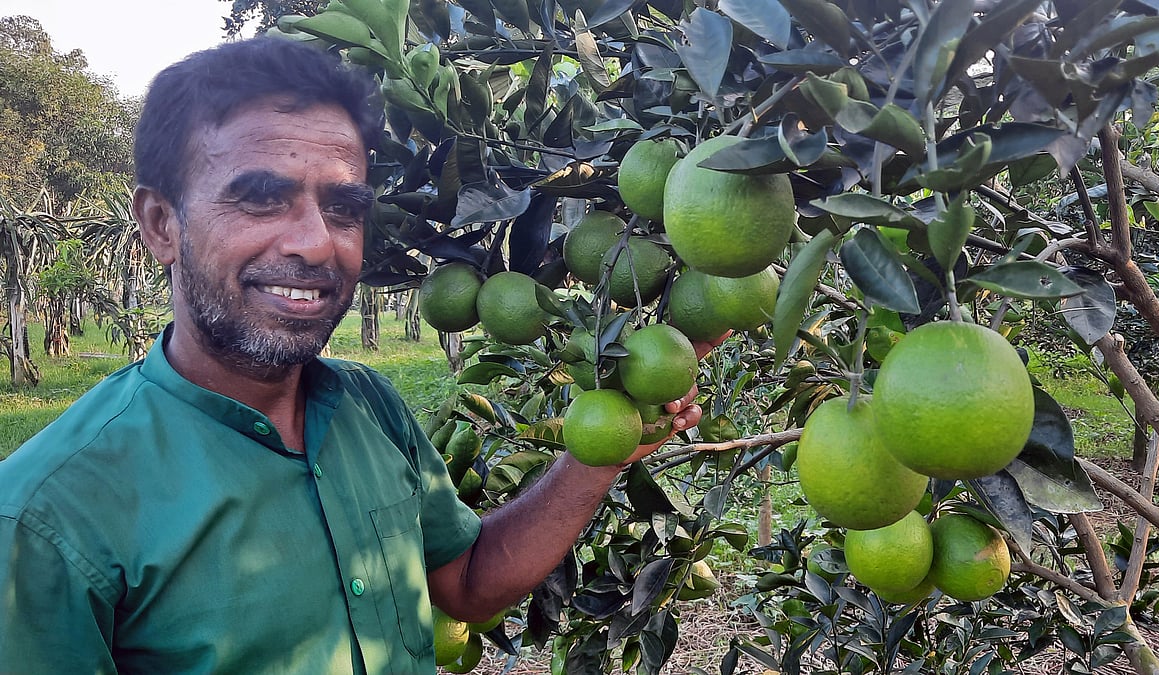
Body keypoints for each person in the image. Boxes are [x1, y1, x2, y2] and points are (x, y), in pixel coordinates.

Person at [0, 37, 720, 673]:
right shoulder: (46, 521)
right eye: (261, 199)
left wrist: (600, 451)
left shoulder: (369, 405)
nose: (316, 242)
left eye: (344, 208)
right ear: (161, 224)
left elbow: (466, 581)